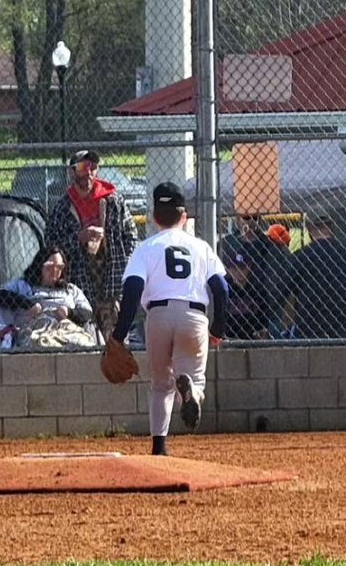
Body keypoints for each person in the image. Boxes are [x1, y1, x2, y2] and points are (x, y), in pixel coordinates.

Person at [110, 183, 228, 457]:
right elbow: (221, 290)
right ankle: (191, 391)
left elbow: (132, 291)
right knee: (196, 378)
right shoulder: (200, 247)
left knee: (160, 384)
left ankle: (159, 448)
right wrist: (218, 328)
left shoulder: (145, 248)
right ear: (184, 217)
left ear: (153, 217)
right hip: (194, 315)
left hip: (158, 316)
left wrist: (119, 334)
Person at [44, 149, 138, 341]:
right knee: (83, 338)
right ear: (71, 172)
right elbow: (51, 246)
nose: (88, 172)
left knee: (116, 340)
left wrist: (123, 265)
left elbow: (131, 237)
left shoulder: (113, 202)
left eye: (93, 167)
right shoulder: (62, 208)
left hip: (111, 281)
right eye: (82, 167)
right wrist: (79, 237)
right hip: (79, 282)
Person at [0, 245, 94, 350]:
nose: (55, 272)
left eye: (59, 267)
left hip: (67, 329)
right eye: (49, 267)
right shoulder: (23, 285)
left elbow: (87, 313)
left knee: (82, 343)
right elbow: (0, 296)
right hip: (36, 329)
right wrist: (28, 305)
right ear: (39, 266)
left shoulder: (70, 290)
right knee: (41, 343)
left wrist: (69, 312)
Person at [289, 214, 346, 339]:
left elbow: (287, 290)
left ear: (308, 228)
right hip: (343, 323)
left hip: (309, 325)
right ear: (331, 226)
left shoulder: (300, 256)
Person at [219, 238, 272, 339]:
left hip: (252, 338)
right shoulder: (224, 289)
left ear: (249, 266)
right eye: (234, 268)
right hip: (229, 338)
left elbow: (264, 317)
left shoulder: (258, 289)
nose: (239, 272)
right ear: (227, 269)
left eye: (243, 267)